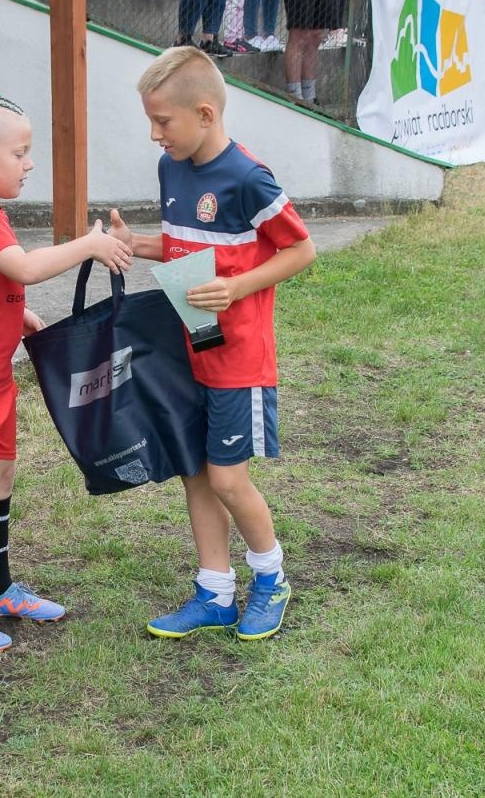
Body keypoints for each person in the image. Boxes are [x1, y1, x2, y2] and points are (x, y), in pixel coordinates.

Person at [110, 46, 316, 643]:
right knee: (195, 474)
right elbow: (182, 245)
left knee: (228, 479)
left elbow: (300, 250)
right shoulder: (172, 167)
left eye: (162, 122)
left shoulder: (248, 178)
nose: (154, 134)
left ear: (204, 113)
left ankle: (271, 579)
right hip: (187, 351)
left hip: (239, 360)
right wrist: (137, 243)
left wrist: (238, 287)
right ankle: (214, 592)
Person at [0, 94, 131, 652]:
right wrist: (89, 244)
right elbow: (26, 266)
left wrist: (15, 313)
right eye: (22, 152)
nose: (30, 163)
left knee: (0, 479)